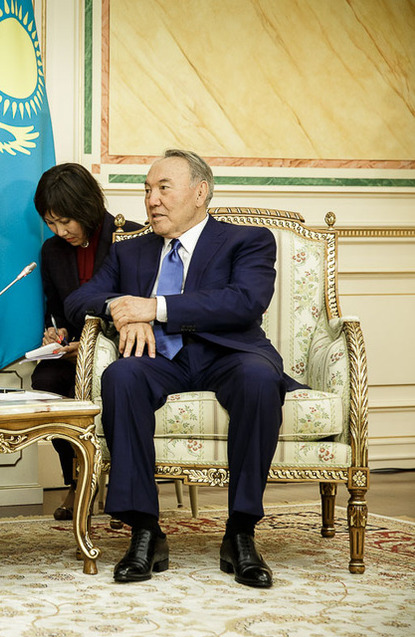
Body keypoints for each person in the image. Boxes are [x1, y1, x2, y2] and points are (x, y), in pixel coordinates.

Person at [64, 150, 302, 589]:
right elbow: (79, 300)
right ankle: (145, 531)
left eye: (163, 188)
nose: (151, 200)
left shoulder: (246, 240)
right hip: (160, 360)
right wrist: (121, 308)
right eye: (147, 191)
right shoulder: (130, 251)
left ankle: (241, 532)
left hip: (229, 354)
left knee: (259, 379)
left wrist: (155, 307)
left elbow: (245, 301)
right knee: (121, 376)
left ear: (200, 192)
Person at [30, 163, 140, 520]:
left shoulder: (132, 238)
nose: (60, 231)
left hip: (124, 350)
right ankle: (77, 481)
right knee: (46, 382)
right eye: (51, 223)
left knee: (117, 382)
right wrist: (56, 333)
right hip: (74, 355)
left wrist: (97, 343)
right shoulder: (51, 252)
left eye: (66, 221)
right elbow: (57, 311)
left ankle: (124, 482)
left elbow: (141, 309)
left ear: (86, 207)